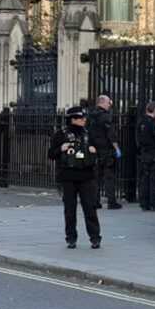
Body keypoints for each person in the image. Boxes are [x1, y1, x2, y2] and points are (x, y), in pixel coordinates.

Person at [48, 106, 102, 249]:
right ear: (73, 119)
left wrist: (94, 151)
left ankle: (95, 238)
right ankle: (71, 238)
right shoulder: (60, 135)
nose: (84, 120)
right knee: (70, 210)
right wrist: (61, 148)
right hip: (68, 177)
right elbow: (51, 154)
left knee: (90, 208)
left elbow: (99, 152)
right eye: (81, 118)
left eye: (84, 118)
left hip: (87, 176)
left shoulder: (88, 133)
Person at [88, 95, 122, 209]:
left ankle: (94, 201)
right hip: (106, 150)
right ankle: (111, 202)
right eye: (108, 102)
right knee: (109, 177)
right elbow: (111, 134)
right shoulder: (105, 117)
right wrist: (117, 148)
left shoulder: (90, 116)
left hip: (93, 149)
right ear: (102, 102)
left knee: (95, 177)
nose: (109, 105)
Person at [136, 101, 155, 211]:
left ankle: (144, 203)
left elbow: (138, 138)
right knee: (154, 180)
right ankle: (154, 203)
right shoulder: (153, 123)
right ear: (154, 110)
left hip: (144, 153)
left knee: (144, 179)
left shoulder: (141, 122)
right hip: (154, 154)